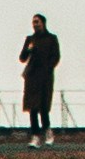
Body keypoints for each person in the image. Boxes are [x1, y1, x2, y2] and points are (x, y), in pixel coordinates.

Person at [18, 12, 62, 145]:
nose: (35, 24)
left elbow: (56, 56)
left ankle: (47, 131)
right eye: (33, 22)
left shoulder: (51, 38)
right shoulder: (30, 39)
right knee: (32, 107)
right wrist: (28, 49)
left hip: (46, 77)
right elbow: (22, 58)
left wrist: (48, 69)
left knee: (43, 106)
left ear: (43, 23)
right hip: (32, 77)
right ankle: (35, 135)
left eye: (37, 22)